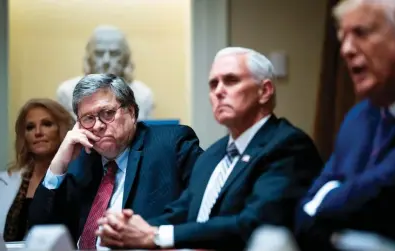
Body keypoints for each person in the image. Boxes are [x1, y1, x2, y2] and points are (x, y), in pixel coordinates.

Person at [95, 47, 323, 250]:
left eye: (231, 80)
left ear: (264, 91)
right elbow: (183, 211)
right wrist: (129, 229)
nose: (218, 91)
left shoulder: (287, 145)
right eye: (213, 84)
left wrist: (155, 235)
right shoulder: (214, 154)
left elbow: (253, 224)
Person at [29, 74, 203, 249]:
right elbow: (40, 232)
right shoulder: (81, 162)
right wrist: (58, 164)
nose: (97, 126)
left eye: (107, 113)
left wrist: (154, 234)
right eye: (88, 118)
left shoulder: (171, 145)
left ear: (132, 112)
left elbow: (207, 207)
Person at [295, 0, 395, 249]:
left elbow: (384, 191)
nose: (346, 49)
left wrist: (330, 199)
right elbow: (304, 212)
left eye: (361, 33)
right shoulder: (358, 117)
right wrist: (338, 237)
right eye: (342, 37)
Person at [0, 98, 74, 241]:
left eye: (47, 124)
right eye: (30, 127)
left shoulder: (77, 178)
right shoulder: (4, 181)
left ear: (62, 130)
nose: (38, 132)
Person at [56, 25, 154, 120]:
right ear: (89, 57)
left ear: (125, 58)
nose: (106, 61)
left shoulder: (142, 95)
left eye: (114, 54)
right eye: (99, 53)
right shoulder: (67, 92)